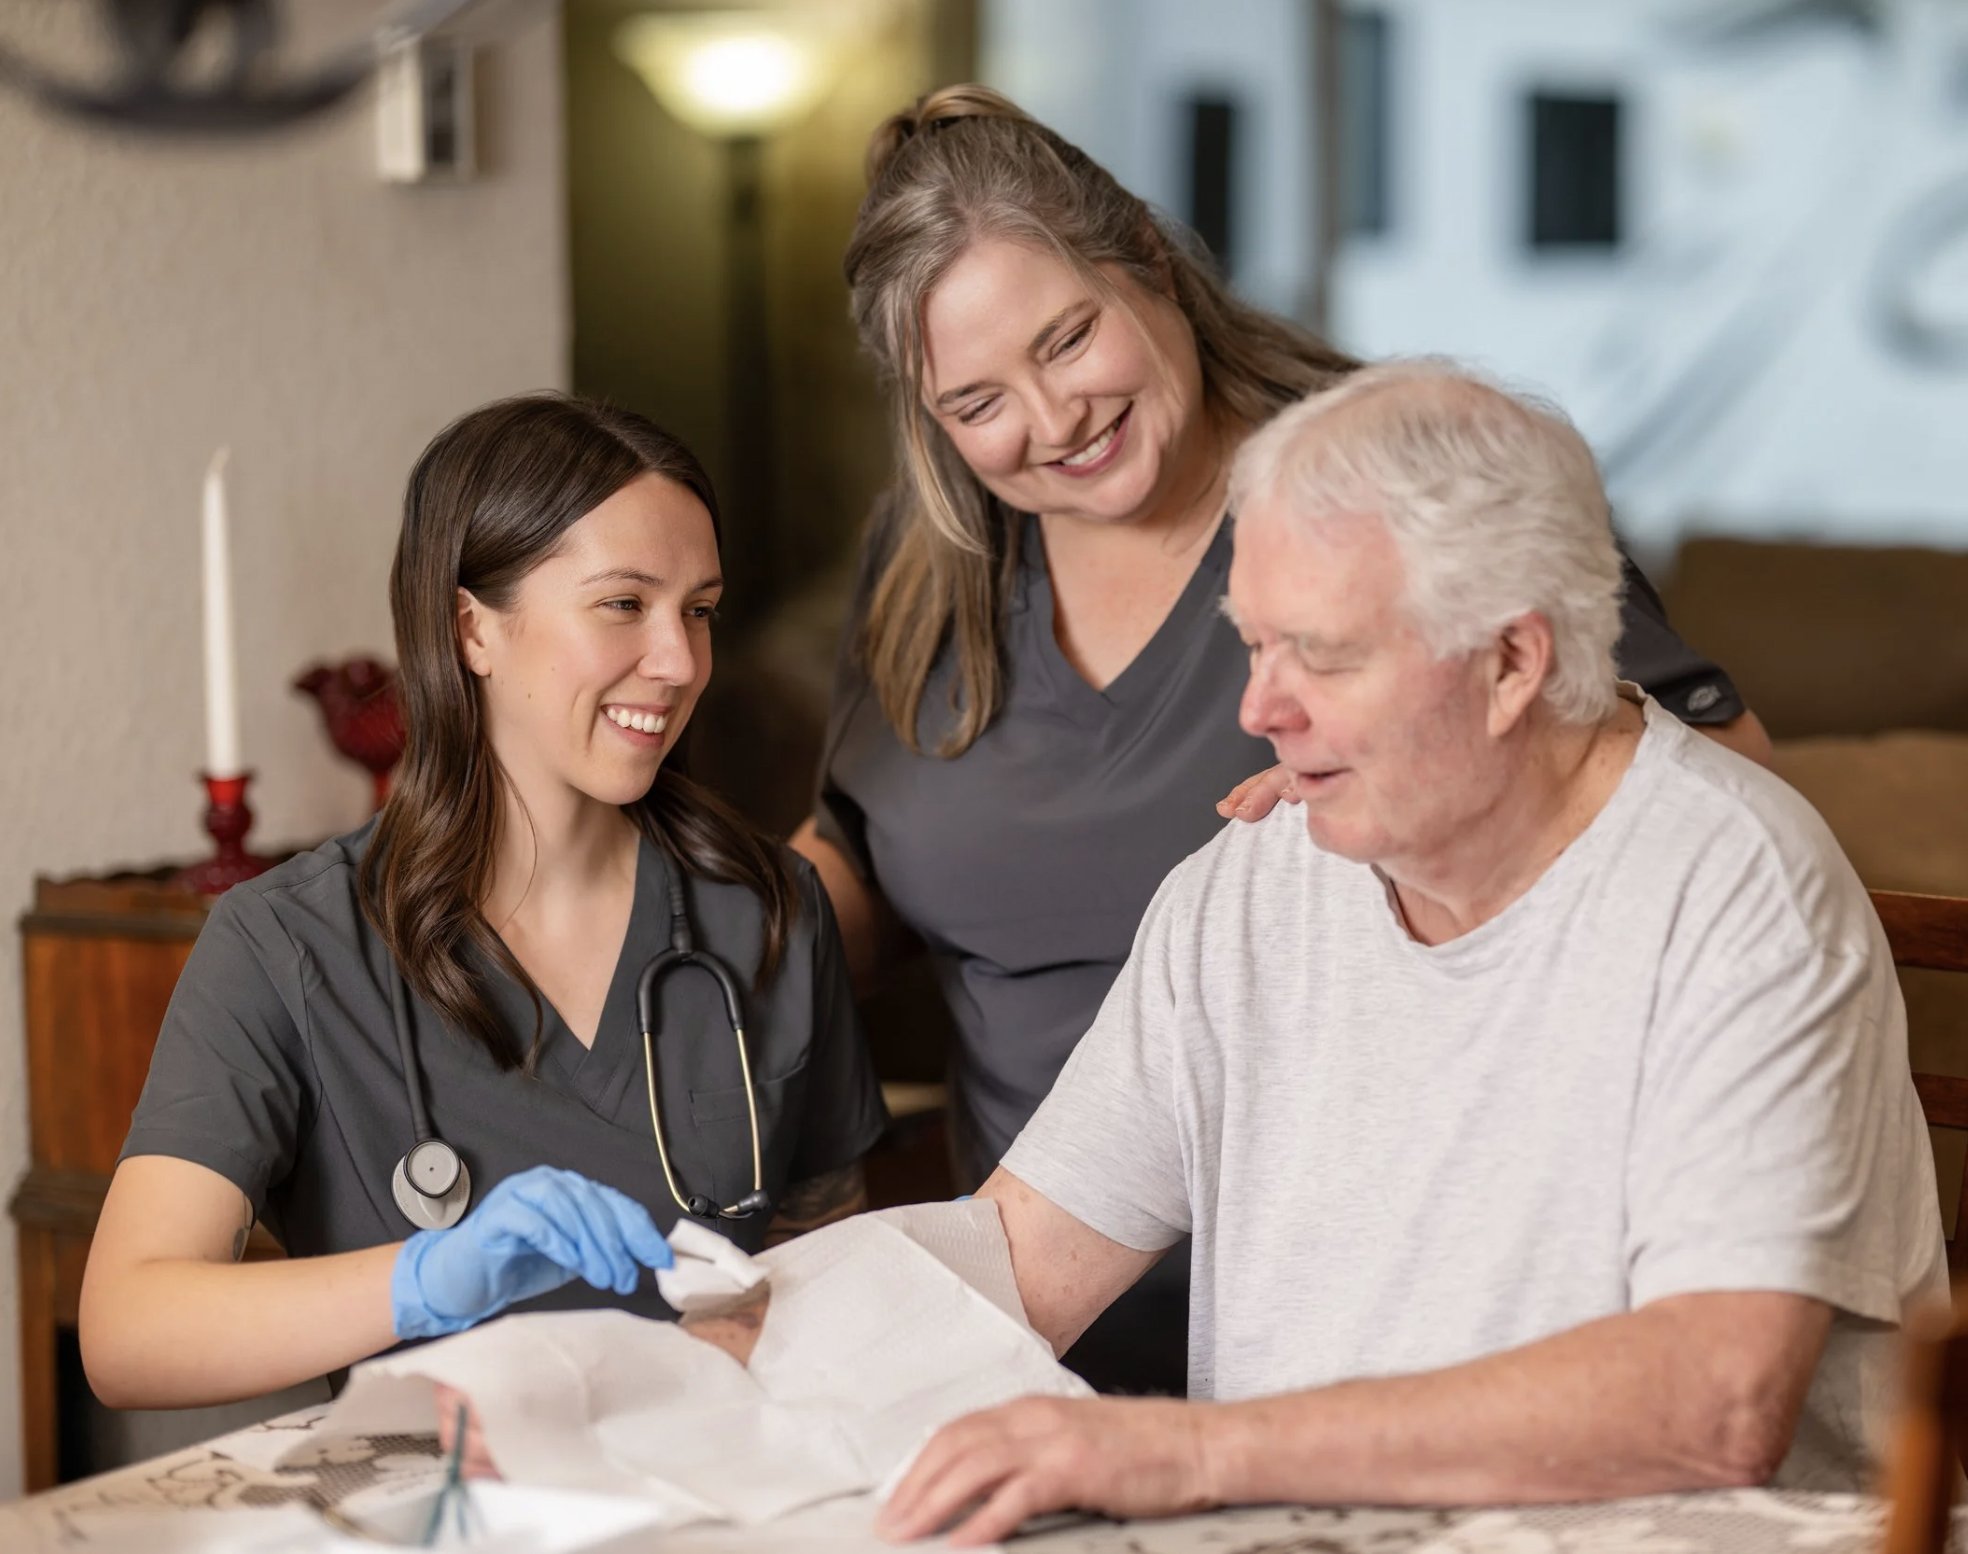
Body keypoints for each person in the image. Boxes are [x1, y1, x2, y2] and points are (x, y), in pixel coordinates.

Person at [792, 85, 1773, 1395]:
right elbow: (857, 869)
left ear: (1144, 252)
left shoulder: (1394, 481)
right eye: (977, 401)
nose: (1053, 417)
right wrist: (630, 920)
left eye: (1069, 337)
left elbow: (1727, 801)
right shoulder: (929, 561)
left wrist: (1435, 784)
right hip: (1030, 1336)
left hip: (1391, 1351)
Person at [873, 363, 1947, 1546]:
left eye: (1322, 657)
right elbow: (1018, 1255)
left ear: (1511, 664)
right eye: (1255, 645)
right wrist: (724, 1329)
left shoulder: (1740, 890)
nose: (1259, 711)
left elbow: (1717, 1400)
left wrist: (1186, 1451)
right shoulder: (1253, 883)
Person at [81, 395, 887, 1410]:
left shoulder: (768, 912)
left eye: (700, 609)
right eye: (624, 604)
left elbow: (833, 1263)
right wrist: (419, 1282)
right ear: (473, 629)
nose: (681, 663)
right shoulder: (288, 945)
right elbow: (127, 1334)